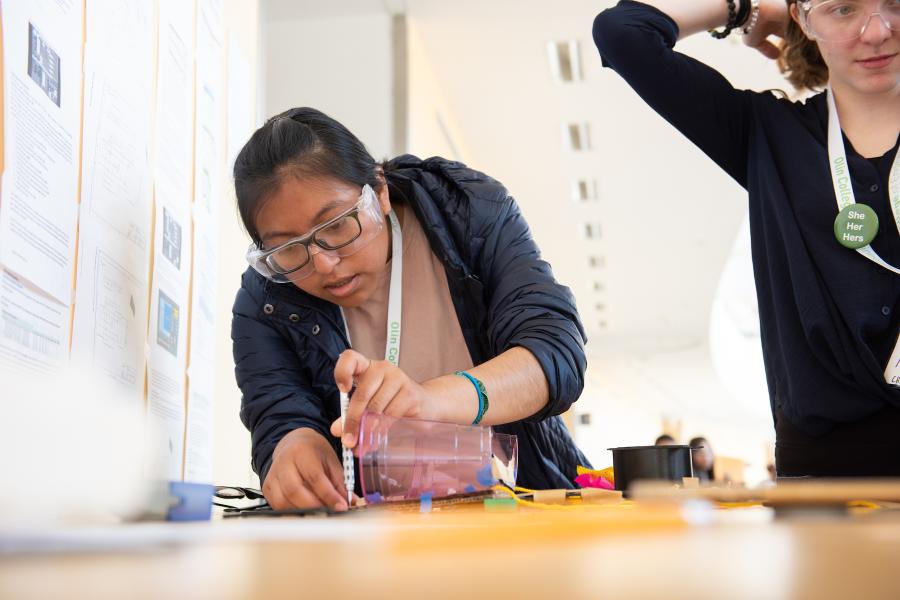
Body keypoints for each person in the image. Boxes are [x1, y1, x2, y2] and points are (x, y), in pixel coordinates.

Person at [593, 0, 900, 477]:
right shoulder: (769, 135)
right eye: (844, 10)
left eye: (895, 5)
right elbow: (623, 32)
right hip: (824, 470)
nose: (878, 30)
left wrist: (824, 14)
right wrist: (747, 10)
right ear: (804, 16)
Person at [231, 108, 590, 511]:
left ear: (379, 191)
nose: (323, 264)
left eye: (336, 225)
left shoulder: (469, 212)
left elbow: (556, 354)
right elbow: (275, 410)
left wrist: (430, 402)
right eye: (288, 247)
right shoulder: (264, 300)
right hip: (378, 538)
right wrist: (292, 445)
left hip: (525, 507)